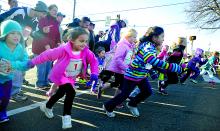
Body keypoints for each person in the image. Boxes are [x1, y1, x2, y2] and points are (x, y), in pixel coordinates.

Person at [103, 26, 183, 118]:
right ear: (154, 37)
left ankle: (132, 104)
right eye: (162, 36)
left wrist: (157, 70)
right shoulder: (148, 46)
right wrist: (172, 67)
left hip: (140, 75)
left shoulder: (149, 45)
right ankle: (107, 106)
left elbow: (149, 63)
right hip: (133, 75)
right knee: (124, 95)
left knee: (147, 91)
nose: (163, 39)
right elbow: (151, 60)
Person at [27, 27, 99, 129]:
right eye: (81, 41)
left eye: (86, 41)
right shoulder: (63, 49)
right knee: (71, 92)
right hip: (61, 75)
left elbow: (94, 61)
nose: (84, 44)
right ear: (72, 40)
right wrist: (33, 62)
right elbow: (47, 55)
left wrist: (94, 73)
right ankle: (66, 117)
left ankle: (47, 106)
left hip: (71, 77)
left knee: (60, 93)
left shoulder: (85, 51)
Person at [97, 28, 138, 103]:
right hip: (119, 68)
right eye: (134, 37)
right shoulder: (123, 45)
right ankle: (115, 101)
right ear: (128, 36)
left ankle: (102, 88)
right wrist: (126, 68)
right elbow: (118, 58)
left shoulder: (129, 46)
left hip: (121, 68)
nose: (136, 39)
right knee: (122, 85)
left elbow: (128, 58)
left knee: (117, 83)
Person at [0, 20, 29, 123]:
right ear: (5, 34)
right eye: (12, 33)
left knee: (6, 98)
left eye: (18, 33)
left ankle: (2, 112)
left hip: (8, 79)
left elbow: (26, 64)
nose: (16, 36)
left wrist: (13, 64)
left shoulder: (20, 48)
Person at [32, 4, 60, 89]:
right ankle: (39, 83)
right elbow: (39, 34)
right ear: (49, 10)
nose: (55, 12)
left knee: (48, 66)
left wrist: (58, 43)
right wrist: (46, 45)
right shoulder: (43, 19)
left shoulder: (56, 22)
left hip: (51, 49)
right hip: (40, 48)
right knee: (42, 67)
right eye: (54, 10)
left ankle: (46, 82)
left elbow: (57, 35)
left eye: (56, 10)